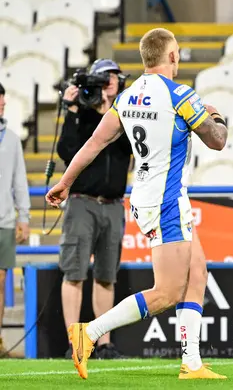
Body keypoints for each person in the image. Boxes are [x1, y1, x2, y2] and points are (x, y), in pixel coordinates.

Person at [46, 28, 229, 380]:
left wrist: (65, 182)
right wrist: (216, 116)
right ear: (172, 56)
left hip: (151, 195)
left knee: (197, 272)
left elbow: (94, 143)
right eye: (176, 52)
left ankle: (191, 362)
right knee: (167, 292)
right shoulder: (181, 96)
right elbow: (217, 141)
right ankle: (90, 333)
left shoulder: (127, 98)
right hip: (165, 201)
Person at [57, 59, 131, 359]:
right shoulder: (83, 114)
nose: (111, 80)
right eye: (105, 77)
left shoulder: (128, 114)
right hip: (82, 203)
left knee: (105, 276)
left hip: (113, 204)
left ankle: (103, 343)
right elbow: (65, 152)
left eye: (115, 76)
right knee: (74, 272)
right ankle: (76, 342)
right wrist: (73, 112)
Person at [0, 82, 30, 357]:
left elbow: (19, 180)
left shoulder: (10, 138)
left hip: (4, 220)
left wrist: (24, 216)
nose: (2, 106)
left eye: (2, 102)